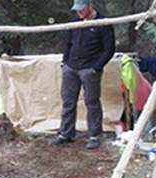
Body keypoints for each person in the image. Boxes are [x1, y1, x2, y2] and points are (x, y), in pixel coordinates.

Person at [49, 0, 115, 149]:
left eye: (81, 9)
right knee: (68, 101)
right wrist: (65, 63)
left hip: (90, 69)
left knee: (92, 102)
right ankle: (65, 134)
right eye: (77, 9)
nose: (79, 12)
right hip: (71, 67)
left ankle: (94, 135)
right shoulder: (75, 22)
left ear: (90, 6)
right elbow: (68, 44)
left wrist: (96, 68)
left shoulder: (103, 23)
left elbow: (109, 49)